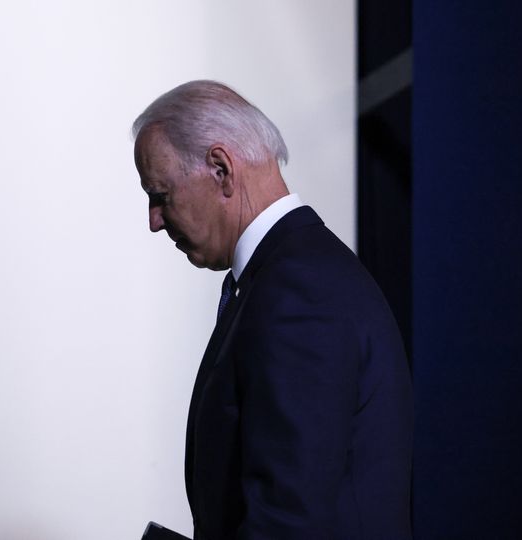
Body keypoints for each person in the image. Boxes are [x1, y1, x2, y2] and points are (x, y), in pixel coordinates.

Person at [132, 80, 413, 540]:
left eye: (160, 195)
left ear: (221, 169)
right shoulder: (290, 278)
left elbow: (288, 523)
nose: (154, 220)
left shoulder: (299, 293)